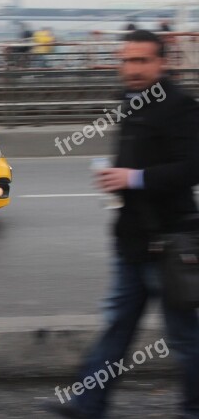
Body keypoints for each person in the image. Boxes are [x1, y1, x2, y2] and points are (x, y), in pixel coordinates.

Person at [45, 30, 199, 419]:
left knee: (184, 337)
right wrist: (117, 181)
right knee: (117, 327)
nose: (132, 69)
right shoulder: (129, 103)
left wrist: (134, 178)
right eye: (127, 61)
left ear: (163, 63)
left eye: (142, 61)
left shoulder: (180, 107)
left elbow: (192, 168)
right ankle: (88, 403)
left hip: (169, 242)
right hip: (131, 242)